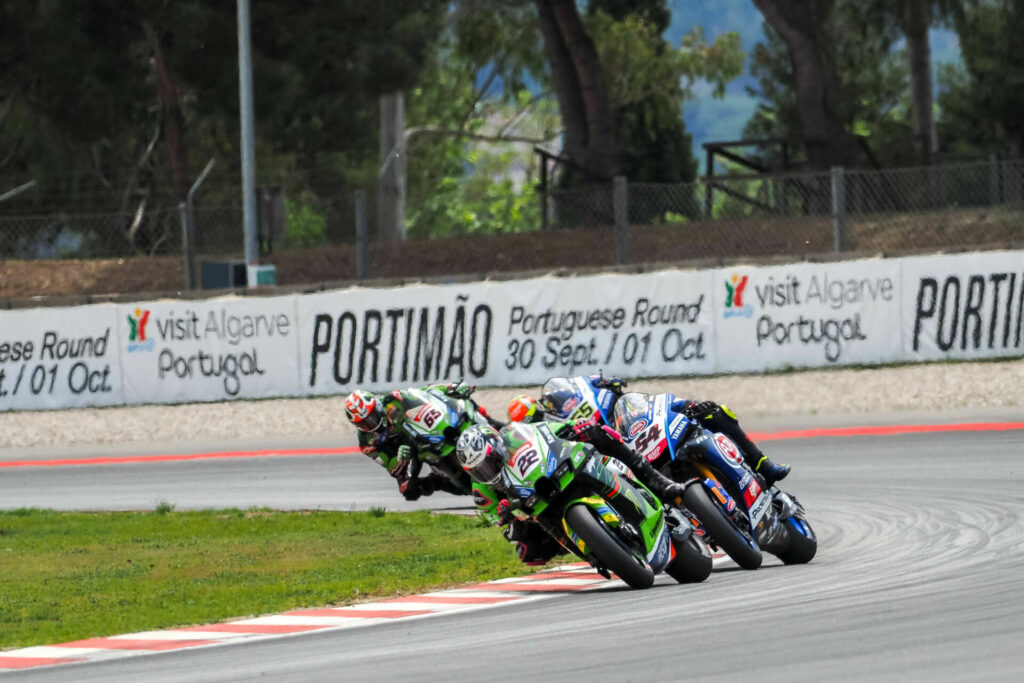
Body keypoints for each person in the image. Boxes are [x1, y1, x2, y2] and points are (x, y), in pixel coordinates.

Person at [455, 415, 689, 565]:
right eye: (480, 470)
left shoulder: (513, 436)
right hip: (534, 506)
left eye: (490, 462)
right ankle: (594, 553)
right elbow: (506, 529)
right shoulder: (481, 492)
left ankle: (655, 479)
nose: (488, 471)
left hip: (554, 471)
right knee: (528, 550)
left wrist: (571, 427)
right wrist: (509, 520)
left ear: (497, 447)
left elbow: (544, 431)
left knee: (597, 432)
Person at [508, 376, 790, 487]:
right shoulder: (548, 423)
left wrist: (608, 383)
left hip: (638, 422)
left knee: (710, 410)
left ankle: (761, 463)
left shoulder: (578, 391)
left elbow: (598, 381)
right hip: (613, 452)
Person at [344, 382, 495, 501]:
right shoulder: (367, 443)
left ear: (377, 406)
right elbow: (390, 466)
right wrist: (399, 461)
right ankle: (437, 481)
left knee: (465, 405)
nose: (371, 424)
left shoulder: (393, 400)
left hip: (425, 435)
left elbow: (425, 392)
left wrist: (449, 387)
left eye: (372, 416)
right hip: (407, 453)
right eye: (363, 423)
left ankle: (494, 426)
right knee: (409, 491)